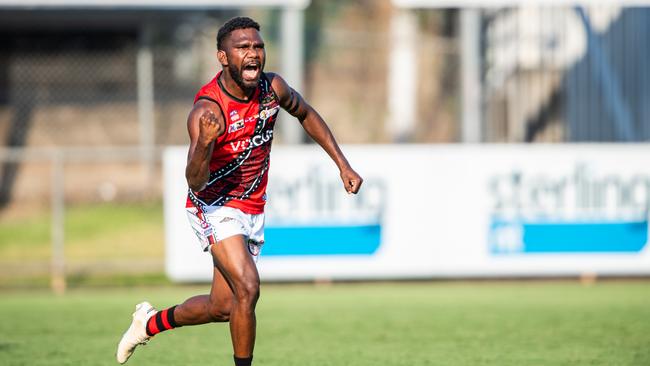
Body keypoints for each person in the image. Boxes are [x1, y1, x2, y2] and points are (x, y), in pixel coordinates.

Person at [116, 16, 363, 366]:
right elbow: (194, 181)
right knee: (249, 286)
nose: (253, 53)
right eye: (243, 47)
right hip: (213, 204)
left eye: (258, 47)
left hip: (251, 207)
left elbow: (306, 113)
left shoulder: (272, 88)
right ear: (222, 57)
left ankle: (149, 323)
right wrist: (204, 143)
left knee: (223, 308)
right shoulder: (207, 109)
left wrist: (343, 164)